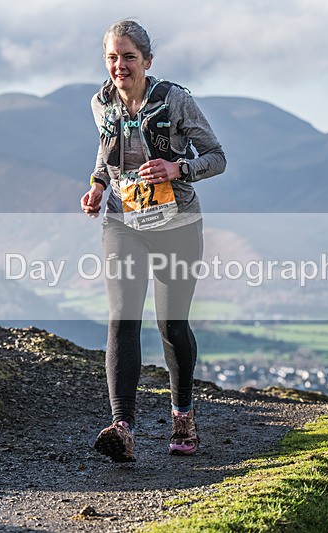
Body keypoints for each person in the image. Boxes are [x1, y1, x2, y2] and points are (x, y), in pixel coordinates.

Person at [81, 19, 226, 462]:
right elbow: (107, 158)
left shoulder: (175, 100)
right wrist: (97, 188)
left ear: (147, 60)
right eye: (112, 57)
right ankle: (121, 426)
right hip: (122, 223)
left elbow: (217, 157)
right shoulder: (101, 102)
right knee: (122, 318)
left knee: (170, 324)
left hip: (176, 224)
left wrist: (176, 168)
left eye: (128, 57)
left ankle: (182, 414)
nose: (119, 66)